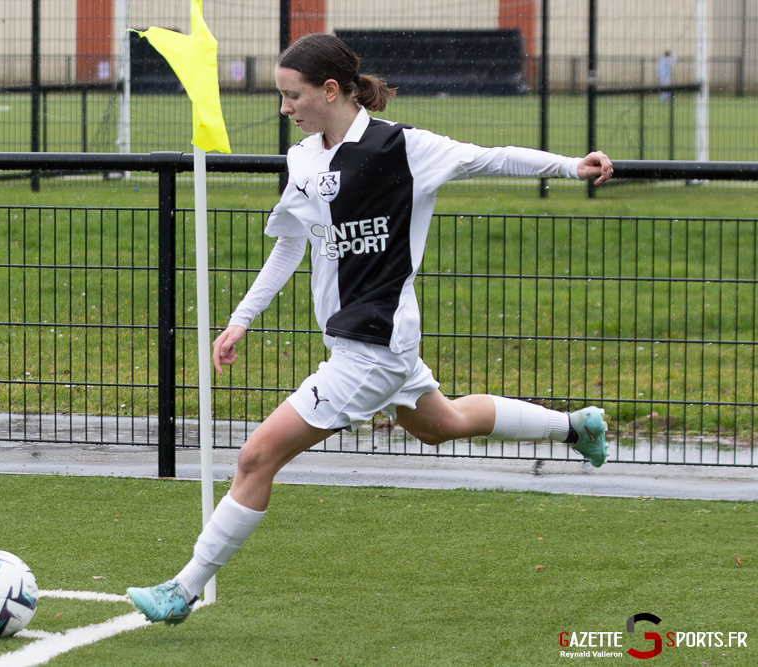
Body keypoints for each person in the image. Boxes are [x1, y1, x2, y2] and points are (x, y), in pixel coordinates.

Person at [127, 33, 615, 625]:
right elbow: (289, 244)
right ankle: (574, 426)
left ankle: (182, 589)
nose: (285, 109)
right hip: (367, 344)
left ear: (330, 91)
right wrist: (240, 320)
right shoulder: (303, 158)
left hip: (373, 348)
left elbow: (490, 155)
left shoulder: (403, 148)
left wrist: (572, 166)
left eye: (292, 96)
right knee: (446, 423)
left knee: (256, 458)